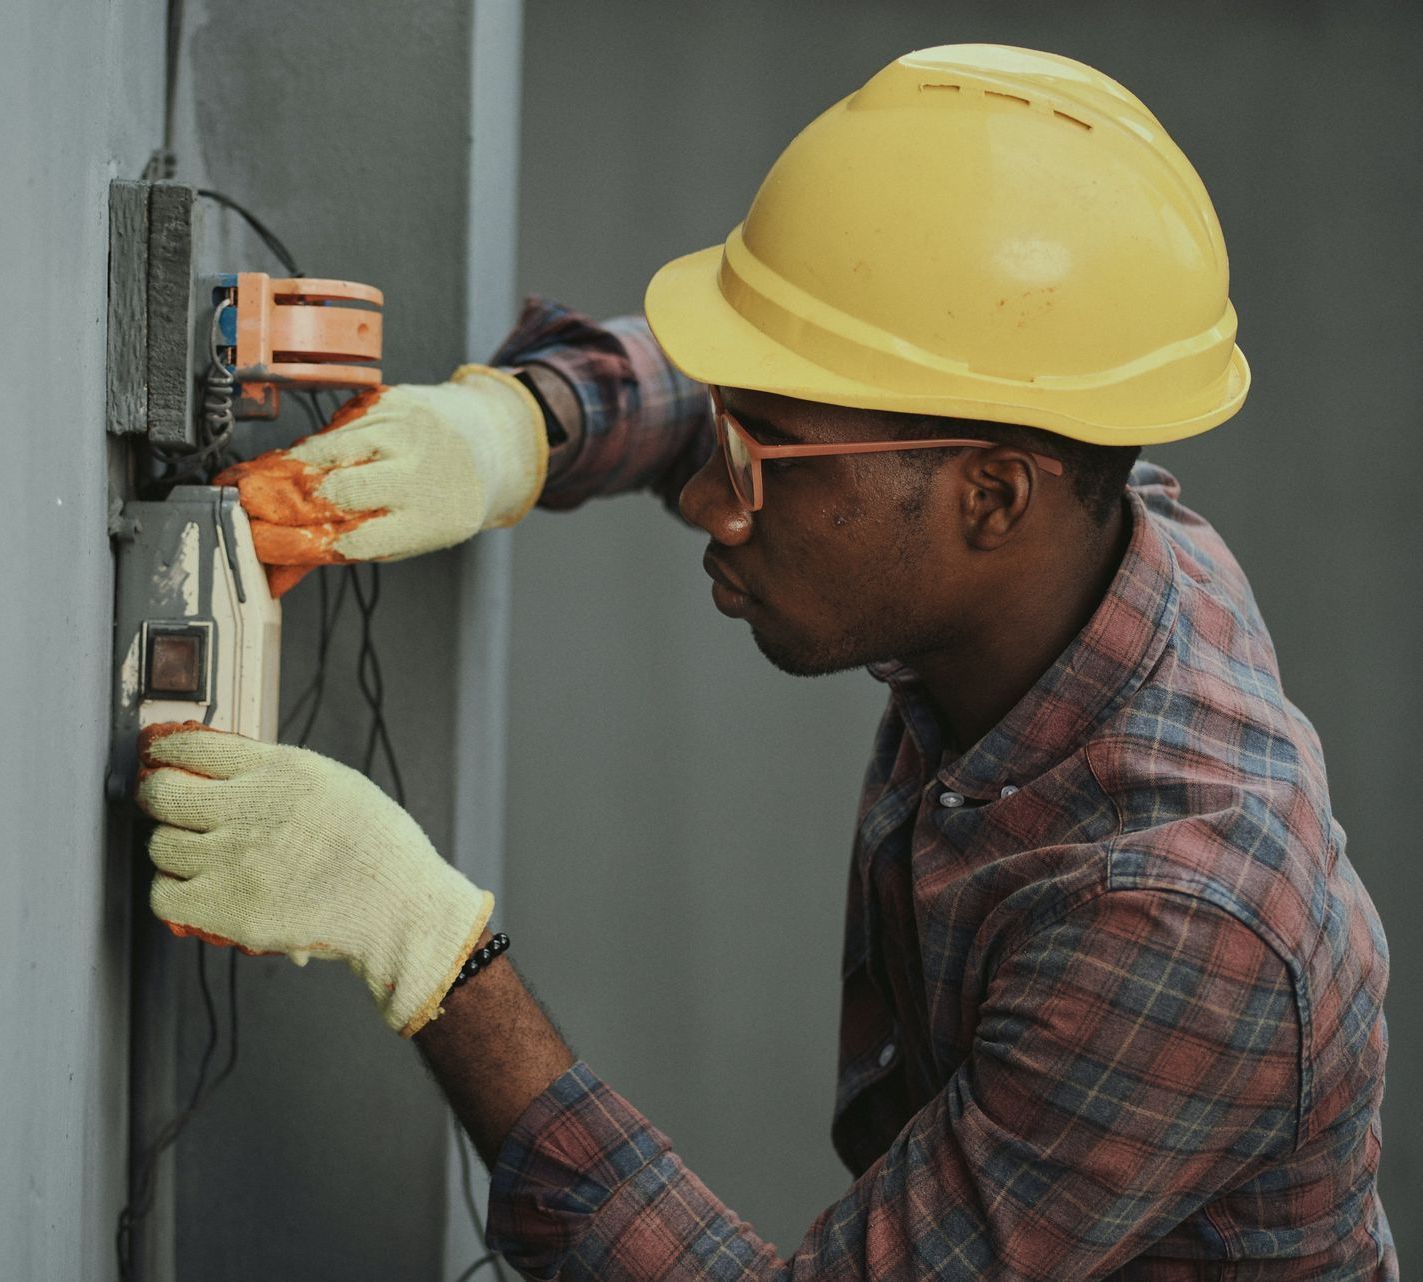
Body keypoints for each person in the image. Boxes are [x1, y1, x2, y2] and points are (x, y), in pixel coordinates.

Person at [135, 45, 1394, 1278]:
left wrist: (424, 945)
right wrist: (524, 426)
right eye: (727, 435)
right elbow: (802, 398)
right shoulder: (1074, 513)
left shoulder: (1183, 919)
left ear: (994, 498)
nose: (712, 506)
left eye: (761, 463)